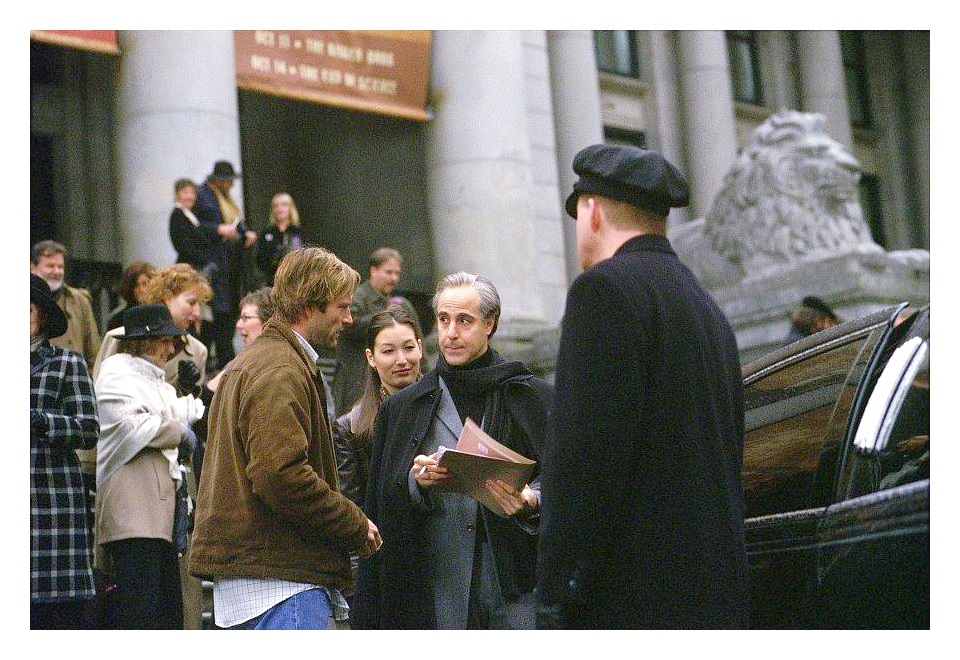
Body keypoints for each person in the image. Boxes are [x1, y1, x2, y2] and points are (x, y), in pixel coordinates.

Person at [535, 144, 748, 629]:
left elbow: (583, 462)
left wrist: (556, 595)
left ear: (592, 212)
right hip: (713, 598)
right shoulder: (705, 306)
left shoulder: (603, 291)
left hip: (633, 600)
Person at [190, 247, 381, 630]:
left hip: (268, 576)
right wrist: (353, 522)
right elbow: (281, 475)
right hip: (282, 581)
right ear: (310, 306)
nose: (349, 318)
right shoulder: (280, 368)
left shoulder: (266, 361)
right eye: (342, 307)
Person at [354, 272, 552, 630]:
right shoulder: (404, 407)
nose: (451, 333)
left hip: (515, 581)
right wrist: (417, 483)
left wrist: (531, 499)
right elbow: (383, 501)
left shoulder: (528, 395)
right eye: (443, 320)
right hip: (439, 585)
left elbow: (567, 478)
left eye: (464, 321)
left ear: (489, 324)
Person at [94, 304, 205, 630]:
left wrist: (192, 395)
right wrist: (177, 431)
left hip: (162, 514)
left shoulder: (154, 380)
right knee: (139, 610)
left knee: (166, 612)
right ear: (143, 341)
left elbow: (182, 411)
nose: (171, 349)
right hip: (133, 513)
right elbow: (130, 425)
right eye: (164, 341)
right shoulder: (116, 372)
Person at [30, 275, 100, 630]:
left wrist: (44, 422)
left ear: (41, 317)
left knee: (57, 615)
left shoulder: (67, 363)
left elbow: (89, 429)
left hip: (52, 507)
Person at [334, 306, 424, 509]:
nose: (401, 360)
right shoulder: (351, 427)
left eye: (408, 348)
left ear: (420, 348)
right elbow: (352, 506)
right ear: (371, 357)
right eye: (388, 351)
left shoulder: (444, 404)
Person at [193, 286, 274, 481]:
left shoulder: (283, 366)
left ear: (269, 322)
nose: (238, 325)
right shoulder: (236, 364)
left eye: (246, 318)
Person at [332, 247, 421, 415]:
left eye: (397, 273)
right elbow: (348, 327)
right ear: (373, 271)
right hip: (355, 382)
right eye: (388, 272)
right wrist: (384, 314)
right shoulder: (356, 298)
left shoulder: (396, 302)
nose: (394, 278)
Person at [193, 160, 258, 369]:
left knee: (226, 317)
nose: (231, 184)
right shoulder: (204, 196)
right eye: (229, 180)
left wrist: (244, 234)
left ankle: (225, 362)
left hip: (229, 267)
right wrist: (218, 229)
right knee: (217, 320)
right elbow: (198, 228)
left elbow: (236, 223)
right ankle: (222, 363)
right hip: (216, 267)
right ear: (220, 180)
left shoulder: (224, 198)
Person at [31, 240, 101, 366]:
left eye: (60, 267)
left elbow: (93, 351)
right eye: (50, 266)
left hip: (73, 373)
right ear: (33, 267)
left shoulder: (79, 300)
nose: (56, 272)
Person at [168, 178, 216, 274]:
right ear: (177, 195)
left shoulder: (189, 214)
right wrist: (202, 259)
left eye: (192, 193)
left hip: (197, 265)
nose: (189, 197)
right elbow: (183, 245)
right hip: (189, 266)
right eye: (185, 193)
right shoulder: (178, 214)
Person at [256, 192, 303, 285]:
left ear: (290, 208)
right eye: (276, 206)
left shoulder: (297, 231)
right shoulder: (267, 233)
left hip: (294, 279)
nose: (280, 209)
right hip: (272, 280)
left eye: (284, 205)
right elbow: (260, 261)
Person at [106, 261, 156, 331]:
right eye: (136, 285)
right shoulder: (118, 319)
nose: (142, 290)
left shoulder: (161, 315)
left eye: (145, 284)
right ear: (130, 288)